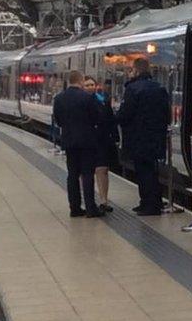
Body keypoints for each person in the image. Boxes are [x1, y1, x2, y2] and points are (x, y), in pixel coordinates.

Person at [117, 58, 170, 216]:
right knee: (152, 171)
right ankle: (154, 201)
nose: (129, 72)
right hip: (156, 137)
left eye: (131, 69)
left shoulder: (133, 89)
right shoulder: (160, 88)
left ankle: (148, 204)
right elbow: (166, 114)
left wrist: (115, 118)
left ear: (136, 70)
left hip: (138, 137)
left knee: (143, 171)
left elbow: (126, 114)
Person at [53, 71, 105, 218]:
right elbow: (97, 118)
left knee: (72, 175)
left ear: (69, 81)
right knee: (87, 175)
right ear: (81, 81)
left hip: (69, 141)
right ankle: (90, 208)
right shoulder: (87, 98)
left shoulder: (59, 99)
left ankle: (74, 208)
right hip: (87, 141)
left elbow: (58, 120)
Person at [85, 76, 118, 212]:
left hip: (102, 141)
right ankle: (89, 200)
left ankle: (104, 200)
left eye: (92, 84)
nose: (90, 87)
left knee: (102, 170)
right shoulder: (80, 102)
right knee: (86, 172)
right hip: (86, 141)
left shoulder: (103, 101)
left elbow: (111, 119)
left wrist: (115, 136)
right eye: (87, 85)